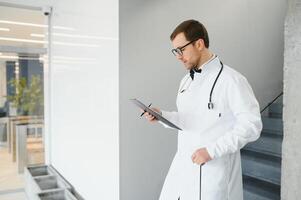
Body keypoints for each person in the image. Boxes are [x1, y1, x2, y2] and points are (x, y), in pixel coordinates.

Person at [144, 19, 263, 200]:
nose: (178, 56)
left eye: (181, 49)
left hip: (213, 170)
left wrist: (212, 151)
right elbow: (188, 119)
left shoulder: (232, 80)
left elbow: (251, 125)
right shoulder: (185, 82)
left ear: (199, 44)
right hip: (183, 165)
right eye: (175, 51)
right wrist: (162, 116)